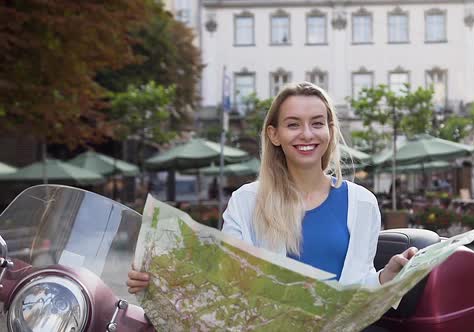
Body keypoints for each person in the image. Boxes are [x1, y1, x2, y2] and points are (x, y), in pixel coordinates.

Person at [127, 82, 417, 293]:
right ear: (274, 134)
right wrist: (160, 280)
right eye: (293, 124)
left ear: (330, 130)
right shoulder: (245, 201)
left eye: (317, 123)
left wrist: (386, 276)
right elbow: (226, 279)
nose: (307, 134)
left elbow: (358, 285)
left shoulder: (362, 203)